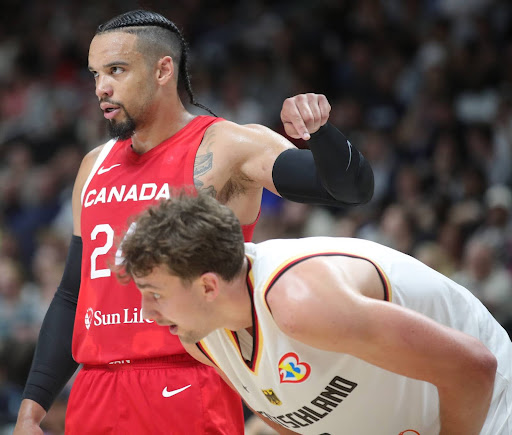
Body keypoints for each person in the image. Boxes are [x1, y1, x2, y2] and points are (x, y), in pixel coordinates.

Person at [14, 9, 374, 435]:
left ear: (163, 69)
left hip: (188, 378)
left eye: (116, 70)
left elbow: (350, 191)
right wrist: (32, 407)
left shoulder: (227, 146)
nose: (101, 88)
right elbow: (74, 294)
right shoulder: (93, 166)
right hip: (94, 389)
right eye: (95, 74)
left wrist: (322, 134)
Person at [118, 192, 511, 435]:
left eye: (155, 294)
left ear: (207, 286)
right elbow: (289, 420)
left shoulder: (298, 301)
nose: (146, 311)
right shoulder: (199, 337)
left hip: (488, 412)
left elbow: (473, 368)